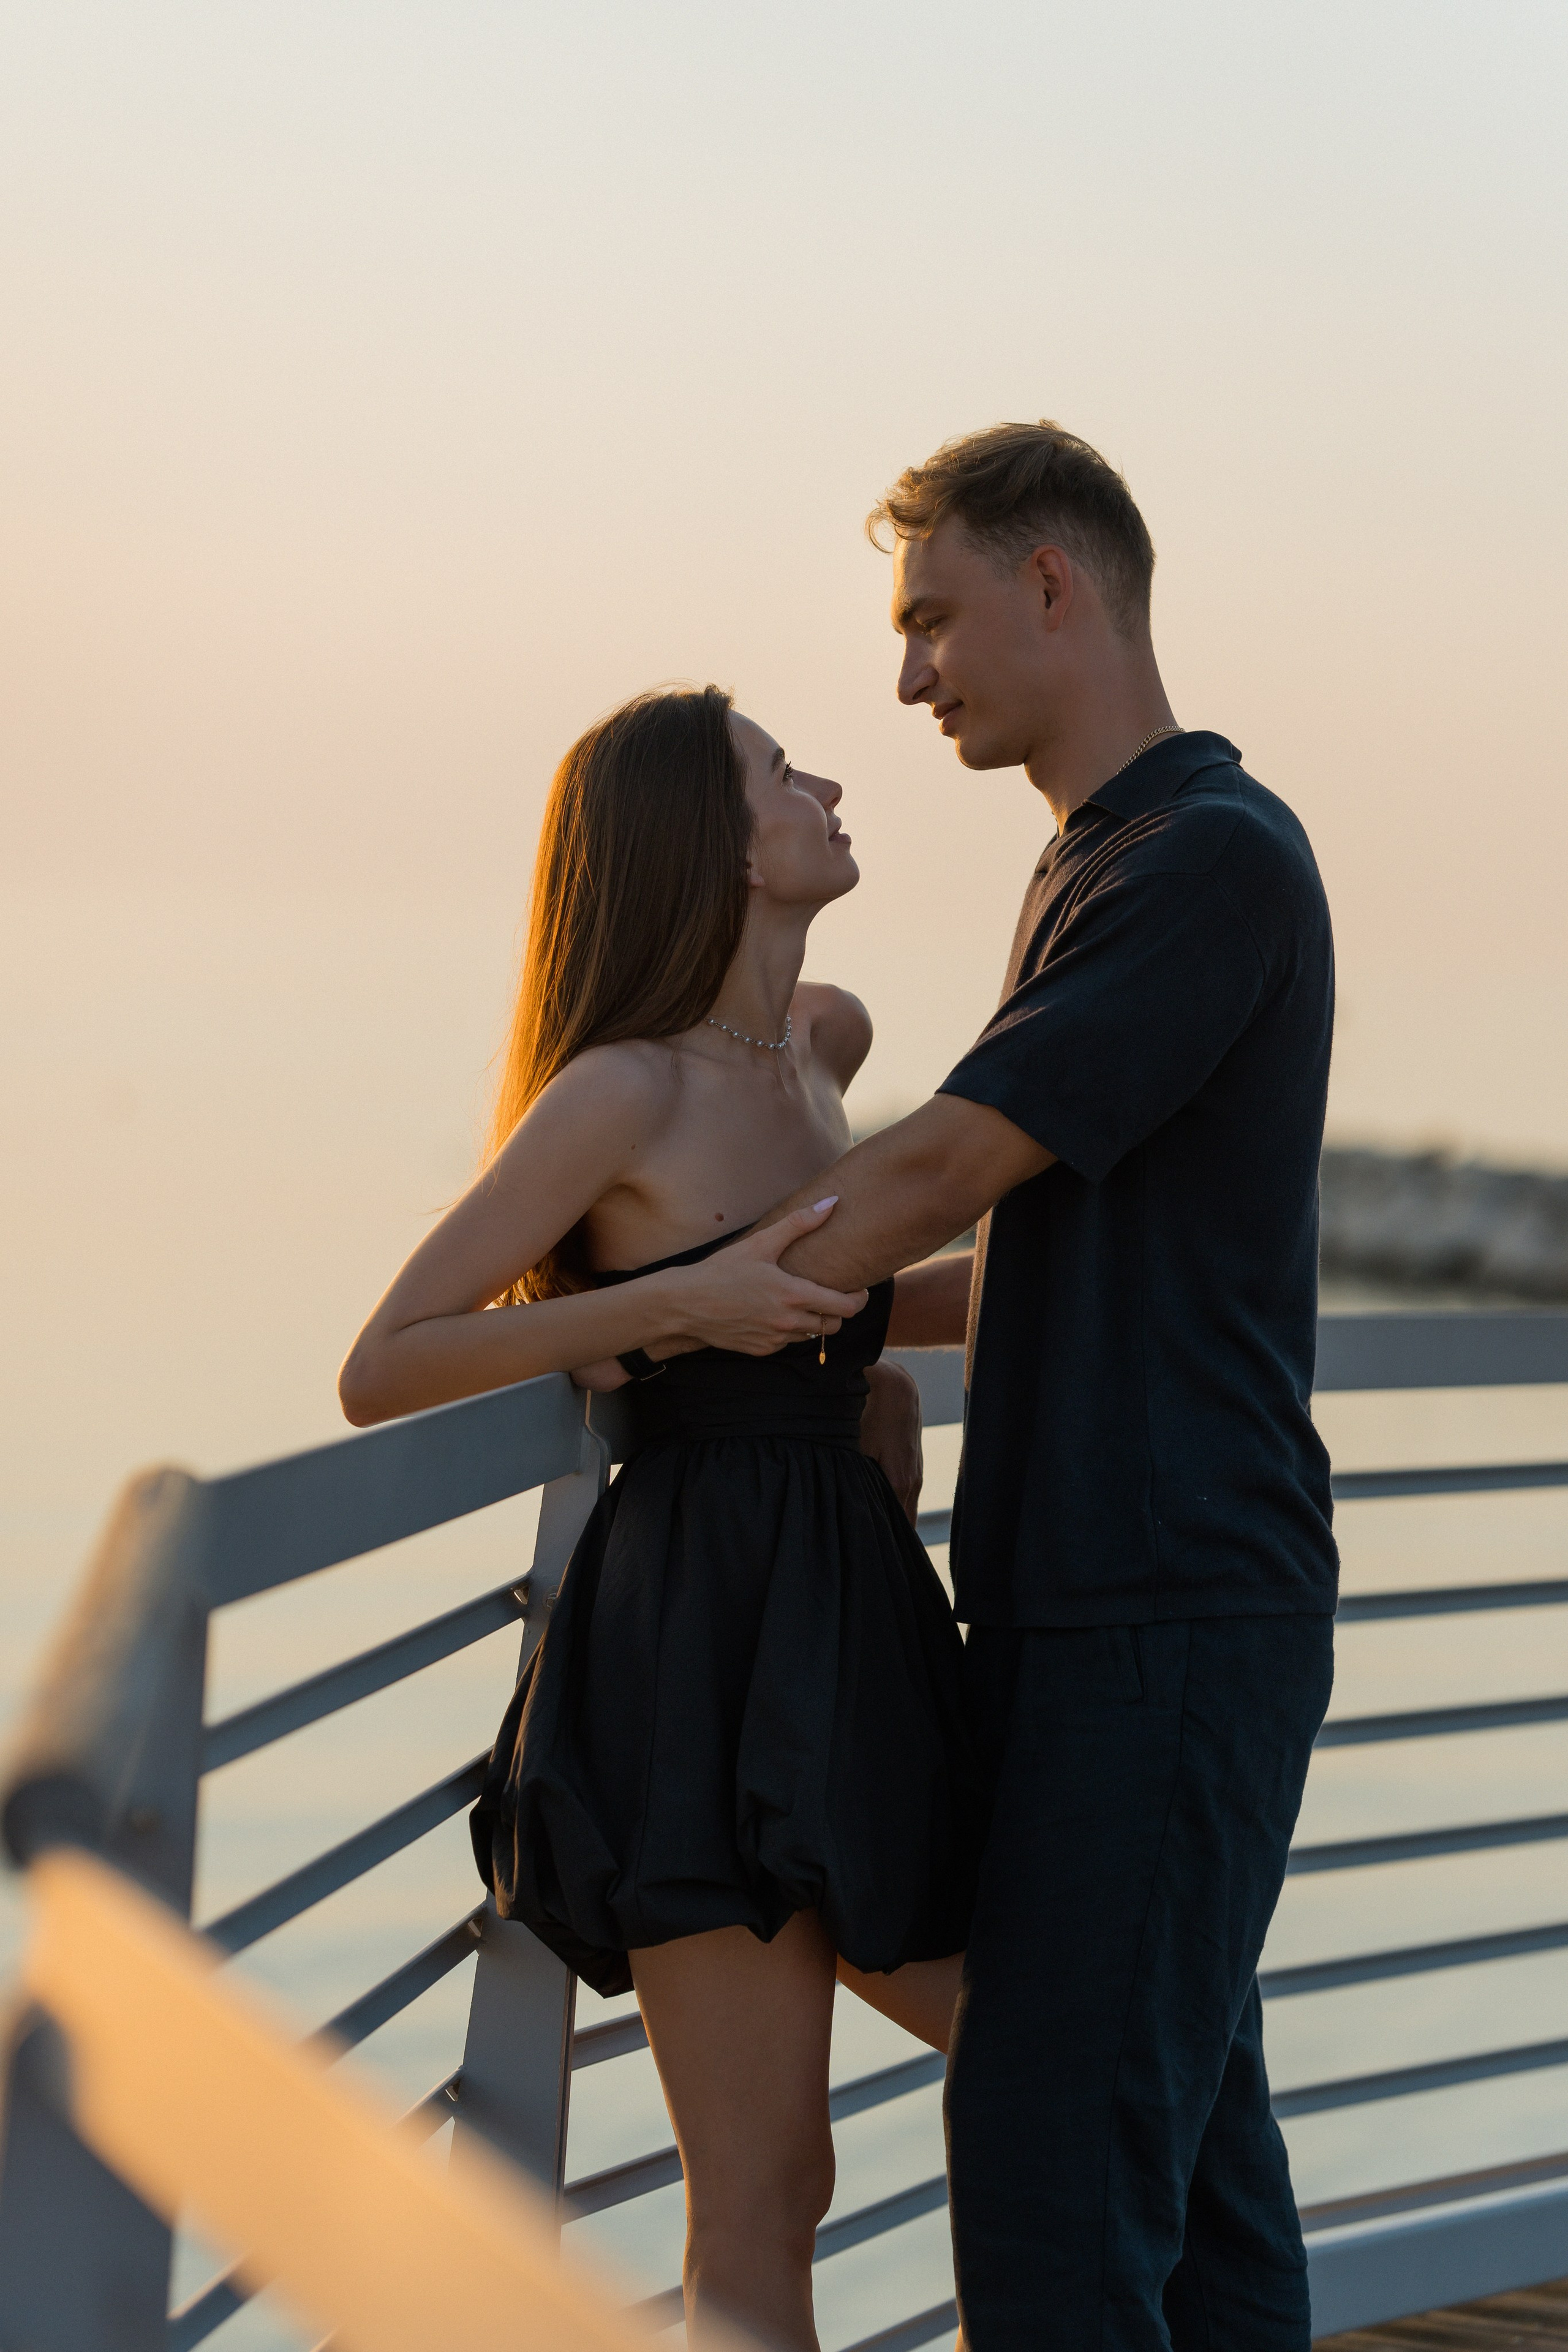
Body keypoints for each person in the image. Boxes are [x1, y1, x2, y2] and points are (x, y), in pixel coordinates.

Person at [750, 422, 1338, 2351]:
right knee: (1190, 2194)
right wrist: (860, 1314)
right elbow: (1026, 1254)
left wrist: (653, 1304)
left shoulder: (1204, 861)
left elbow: (949, 1159)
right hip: (1108, 1609)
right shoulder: (1108, 856)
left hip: (1162, 1614)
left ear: (1054, 582)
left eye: (932, 618)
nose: (910, 673)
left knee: (1052, 2193)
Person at [337, 685, 978, 2352]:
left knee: (1036, 2049)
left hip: (850, 1615)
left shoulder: (824, 1042)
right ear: (709, 841)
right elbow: (389, 1358)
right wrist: (670, 1316)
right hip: (695, 1643)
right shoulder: (619, 1094)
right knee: (765, 2194)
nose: (827, 782)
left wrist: (1061, 1297)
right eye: (781, 772)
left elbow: (828, 1304)